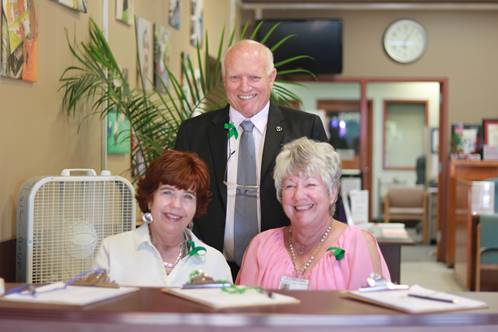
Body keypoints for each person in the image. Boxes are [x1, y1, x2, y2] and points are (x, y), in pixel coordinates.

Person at [175, 39, 345, 277]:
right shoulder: (193, 132)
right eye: (234, 78)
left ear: (271, 77)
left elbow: (330, 201)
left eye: (254, 77)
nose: (244, 87)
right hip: (208, 268)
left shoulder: (305, 127)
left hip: (284, 268)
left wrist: (333, 260)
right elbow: (177, 197)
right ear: (224, 79)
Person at [237, 137, 390, 290]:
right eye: (290, 185)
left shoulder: (358, 244)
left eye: (310, 184)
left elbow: (369, 312)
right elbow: (242, 310)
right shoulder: (260, 246)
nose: (298, 195)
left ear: (332, 193)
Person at [95, 149, 232, 287]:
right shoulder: (111, 251)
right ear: (149, 199)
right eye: (167, 192)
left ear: (197, 206)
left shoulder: (215, 263)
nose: (176, 204)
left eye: (188, 196)